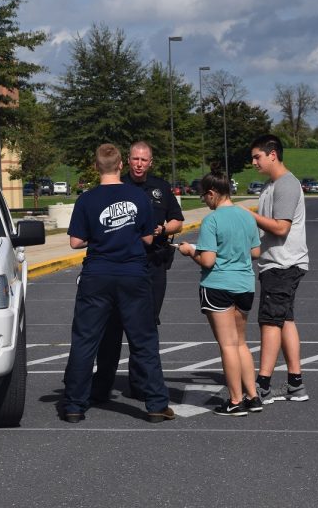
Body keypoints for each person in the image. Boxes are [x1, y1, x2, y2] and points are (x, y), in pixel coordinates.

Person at [62, 143, 175, 424]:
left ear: (96, 166)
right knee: (143, 340)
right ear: (121, 165)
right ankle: (156, 404)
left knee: (86, 339)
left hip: (97, 274)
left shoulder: (86, 200)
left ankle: (75, 404)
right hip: (133, 274)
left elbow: (76, 241)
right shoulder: (138, 196)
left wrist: (99, 238)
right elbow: (148, 238)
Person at [92, 141, 183, 402]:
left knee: (145, 326)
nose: (139, 164)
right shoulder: (117, 187)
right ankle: (103, 384)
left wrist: (163, 230)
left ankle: (140, 383)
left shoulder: (161, 188)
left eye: (144, 160)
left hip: (153, 265)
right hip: (121, 265)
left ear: (151, 162)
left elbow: (177, 220)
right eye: (135, 159)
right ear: (126, 161)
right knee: (112, 325)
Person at [177, 169, 263, 416]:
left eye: (204, 196)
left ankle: (235, 401)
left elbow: (208, 261)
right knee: (241, 343)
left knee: (227, 345)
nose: (204, 200)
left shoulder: (212, 221)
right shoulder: (247, 217)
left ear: (213, 193)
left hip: (218, 286)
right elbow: (255, 252)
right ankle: (252, 396)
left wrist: (190, 251)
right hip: (245, 284)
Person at [244, 134, 310, 404]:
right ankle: (296, 383)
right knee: (285, 321)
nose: (254, 162)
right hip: (278, 262)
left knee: (269, 322)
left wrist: (249, 216)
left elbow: (281, 228)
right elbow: (267, 231)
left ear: (273, 154)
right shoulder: (271, 186)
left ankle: (263, 385)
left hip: (283, 264)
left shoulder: (286, 185)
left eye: (257, 156)